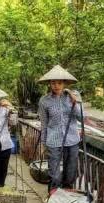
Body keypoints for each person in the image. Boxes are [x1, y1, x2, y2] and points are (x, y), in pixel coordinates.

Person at [38, 65, 83, 194]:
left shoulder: (73, 96)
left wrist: (74, 102)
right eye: (53, 83)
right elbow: (44, 123)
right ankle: (53, 199)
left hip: (72, 140)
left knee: (70, 171)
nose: (56, 86)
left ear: (64, 84)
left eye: (59, 83)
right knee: (55, 174)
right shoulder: (44, 101)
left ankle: (66, 202)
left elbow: (80, 117)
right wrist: (43, 143)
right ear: (49, 84)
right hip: (53, 141)